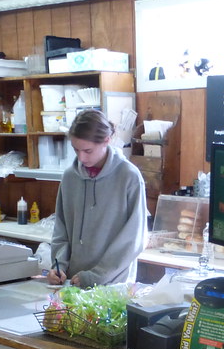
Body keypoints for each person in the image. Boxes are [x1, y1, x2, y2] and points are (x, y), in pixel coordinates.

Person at [47, 109, 148, 287]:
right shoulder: (70, 177)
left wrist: (98, 275)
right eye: (76, 150)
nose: (81, 157)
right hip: (73, 281)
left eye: (88, 150)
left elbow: (134, 239)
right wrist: (58, 265)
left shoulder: (129, 176)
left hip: (114, 284)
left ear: (106, 141)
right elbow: (61, 229)